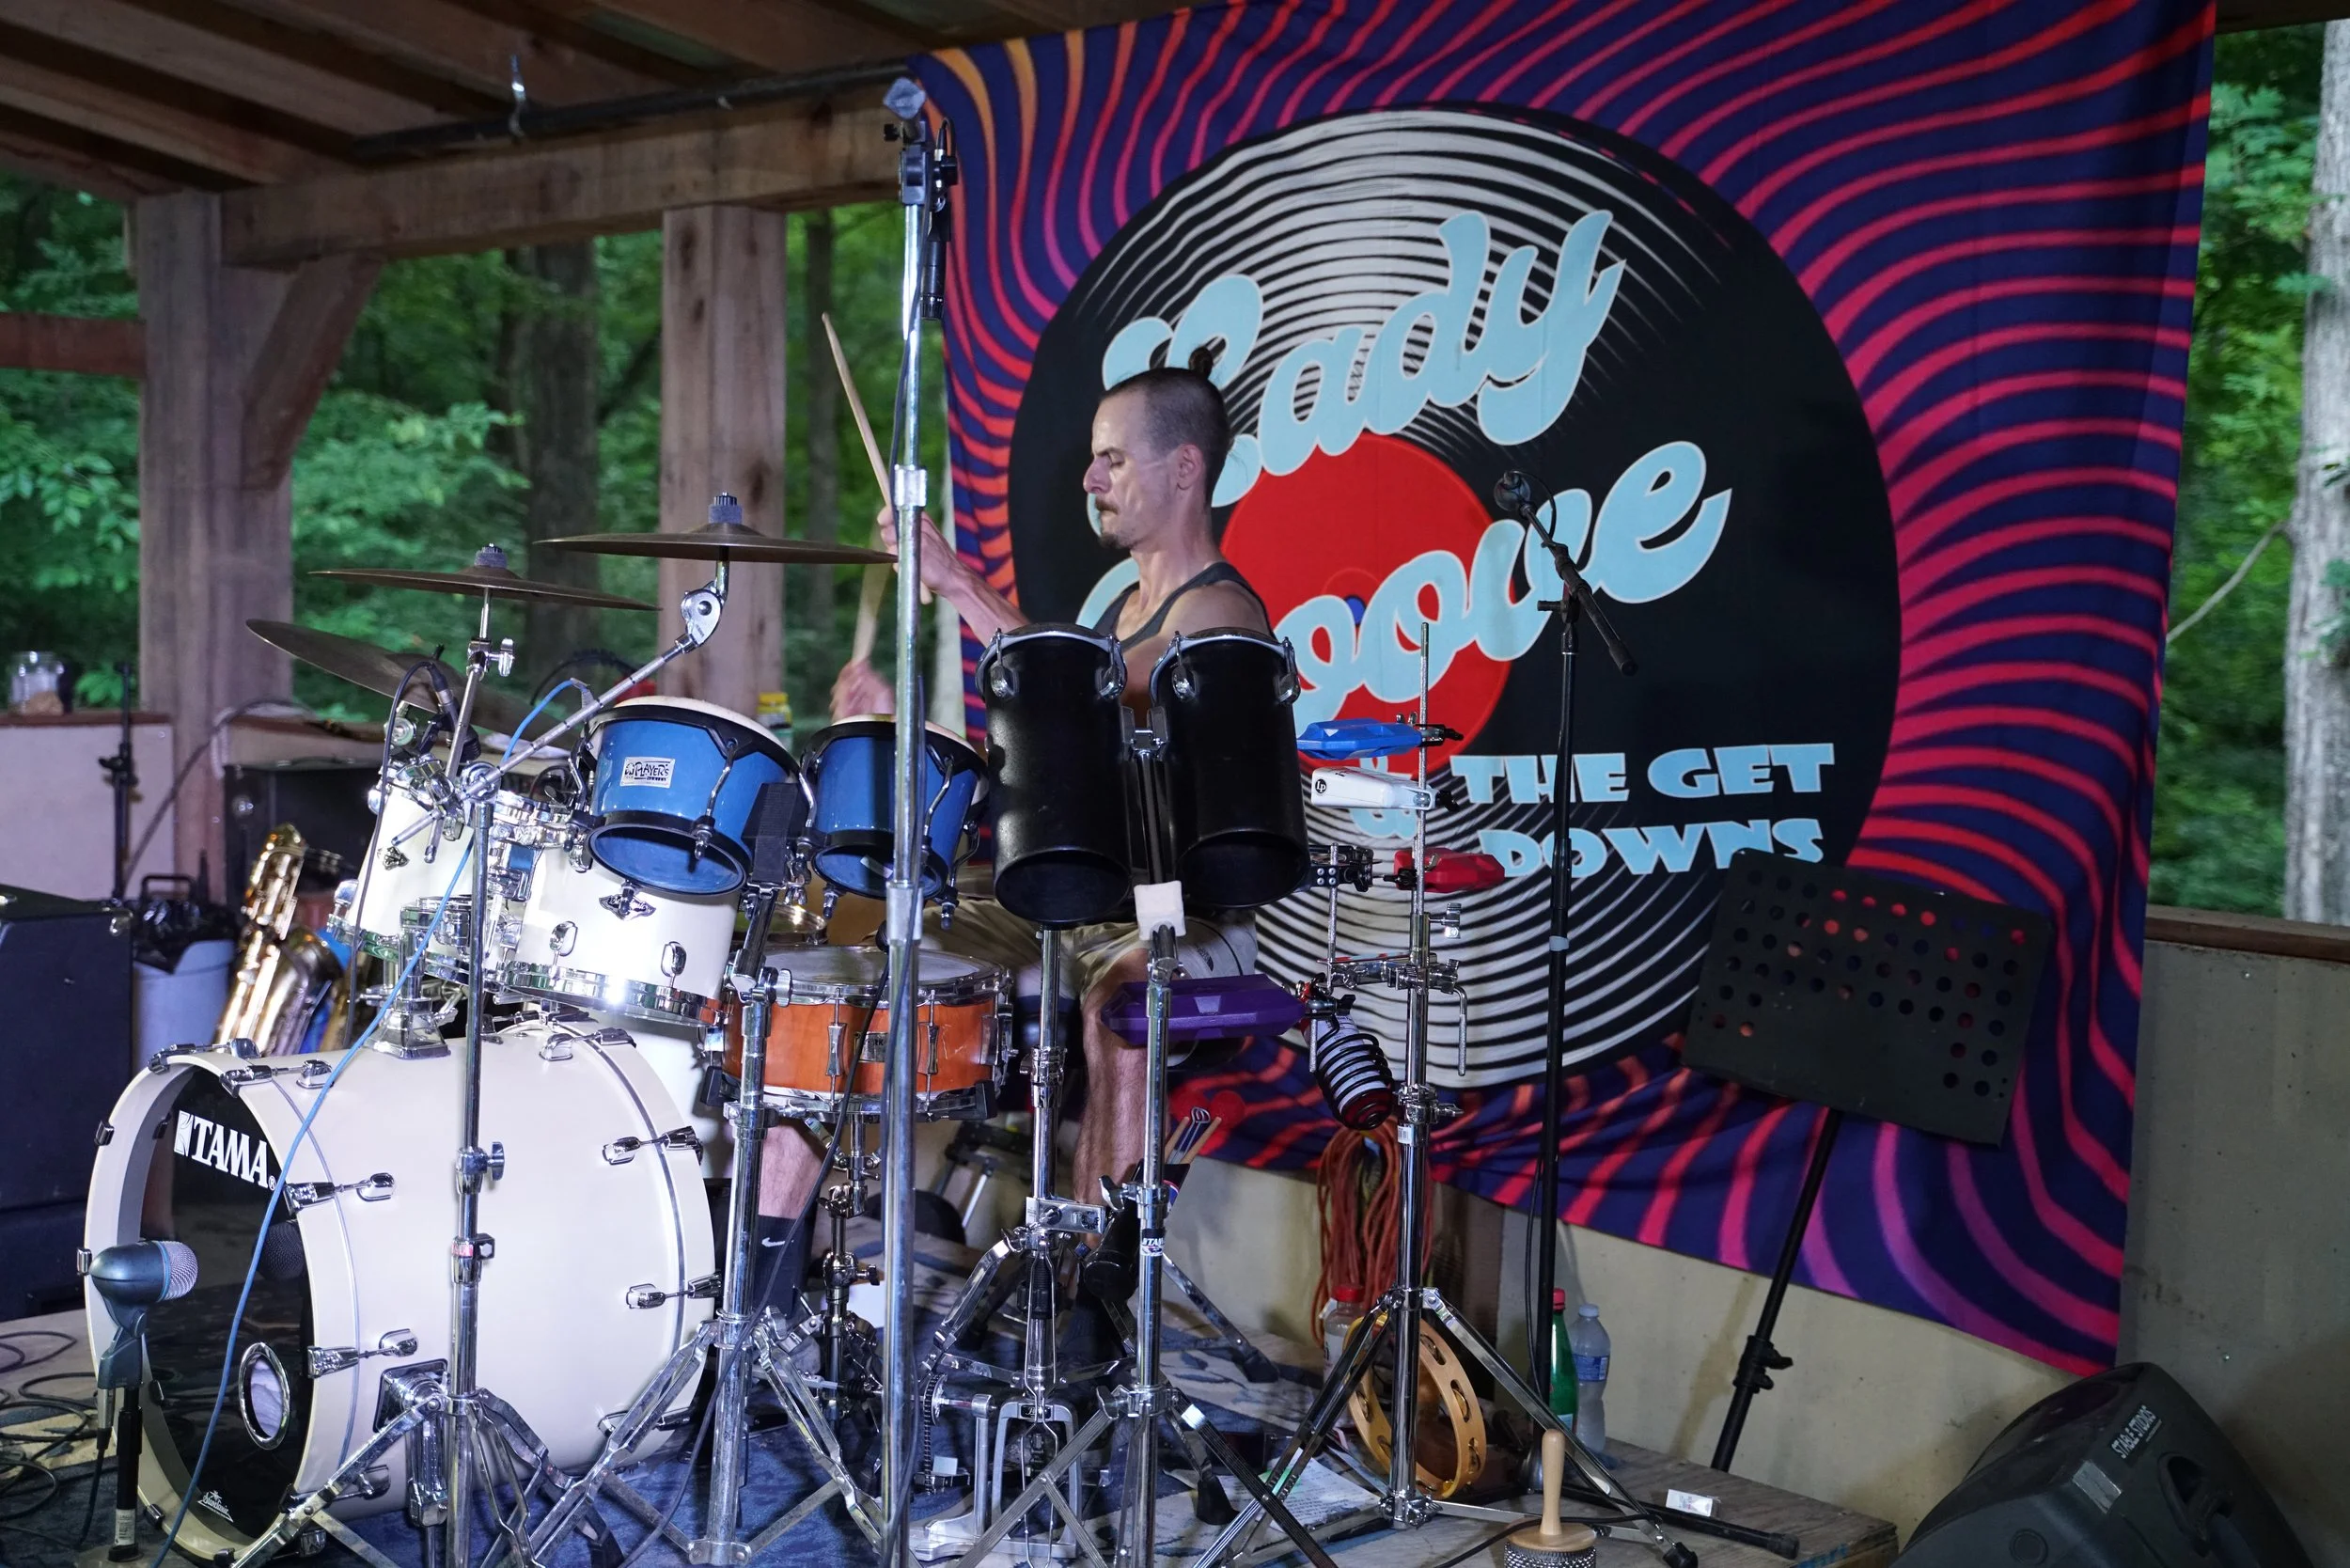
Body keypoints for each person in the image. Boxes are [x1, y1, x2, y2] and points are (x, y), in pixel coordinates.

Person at [750, 360, 1274, 1308]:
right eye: (1094, 459)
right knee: (862, 961)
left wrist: (953, 578)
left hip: (1176, 908)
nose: (1091, 478)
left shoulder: (1219, 612)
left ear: (1185, 469)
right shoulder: (1119, 610)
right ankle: (761, 1291)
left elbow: (1088, 697)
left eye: (1113, 459)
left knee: (1125, 1005)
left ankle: (1092, 1306)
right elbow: (1050, 755)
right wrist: (897, 721)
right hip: (1069, 892)